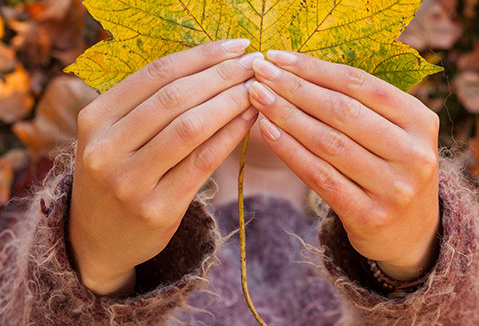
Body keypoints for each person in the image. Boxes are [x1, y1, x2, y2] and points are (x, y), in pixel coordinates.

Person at [0, 38, 478, 325]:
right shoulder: (108, 195)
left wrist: (419, 263)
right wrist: (92, 268)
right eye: (238, 47)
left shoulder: (393, 211)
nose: (262, 62)